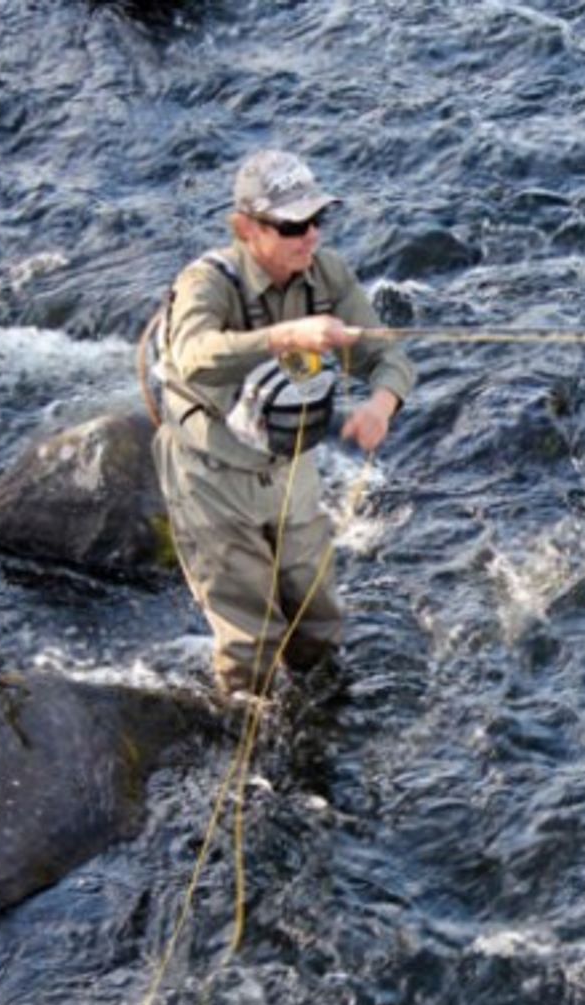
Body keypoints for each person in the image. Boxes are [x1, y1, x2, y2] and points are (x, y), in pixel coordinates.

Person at [152, 149, 415, 695]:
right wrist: (285, 337)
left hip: (291, 470)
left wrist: (380, 405)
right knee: (251, 644)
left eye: (317, 219)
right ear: (245, 228)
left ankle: (323, 719)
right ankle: (246, 725)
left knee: (319, 623)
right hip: (211, 480)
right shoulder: (205, 283)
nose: (310, 235)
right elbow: (193, 354)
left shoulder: (327, 274)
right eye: (293, 225)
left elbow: (389, 356)